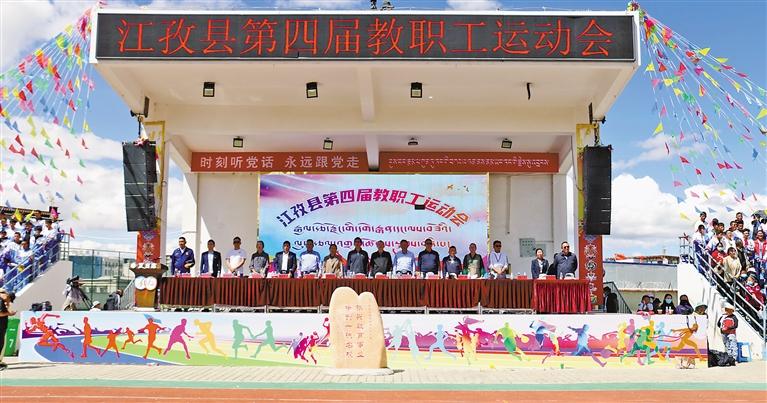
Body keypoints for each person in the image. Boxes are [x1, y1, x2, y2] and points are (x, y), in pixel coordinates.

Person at [0, 289, 16, 370]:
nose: (9, 302)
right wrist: (10, 314)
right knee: (0, 344)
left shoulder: (3, 301)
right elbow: (0, 313)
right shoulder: (1, 301)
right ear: (8, 297)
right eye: (10, 300)